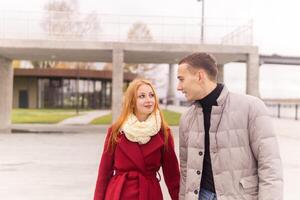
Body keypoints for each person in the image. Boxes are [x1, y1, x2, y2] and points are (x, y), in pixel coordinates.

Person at [177, 53, 283, 200]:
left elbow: (270, 166)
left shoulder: (251, 107)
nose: (178, 87)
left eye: (182, 79)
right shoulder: (186, 119)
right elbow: (185, 172)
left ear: (200, 76)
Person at [94, 79, 180, 200]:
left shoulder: (164, 133)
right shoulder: (116, 131)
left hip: (149, 194)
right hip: (119, 193)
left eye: (151, 95)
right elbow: (104, 173)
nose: (148, 100)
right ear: (132, 101)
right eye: (142, 96)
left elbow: (173, 176)